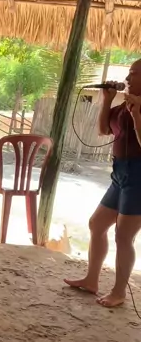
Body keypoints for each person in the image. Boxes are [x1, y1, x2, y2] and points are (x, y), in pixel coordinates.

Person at [65, 61, 141, 307]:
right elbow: (102, 130)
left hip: (138, 177)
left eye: (133, 73)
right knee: (97, 224)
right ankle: (91, 280)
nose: (127, 77)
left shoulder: (135, 108)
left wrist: (137, 114)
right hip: (120, 173)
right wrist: (107, 101)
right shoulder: (124, 106)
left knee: (124, 236)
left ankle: (119, 292)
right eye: (128, 73)